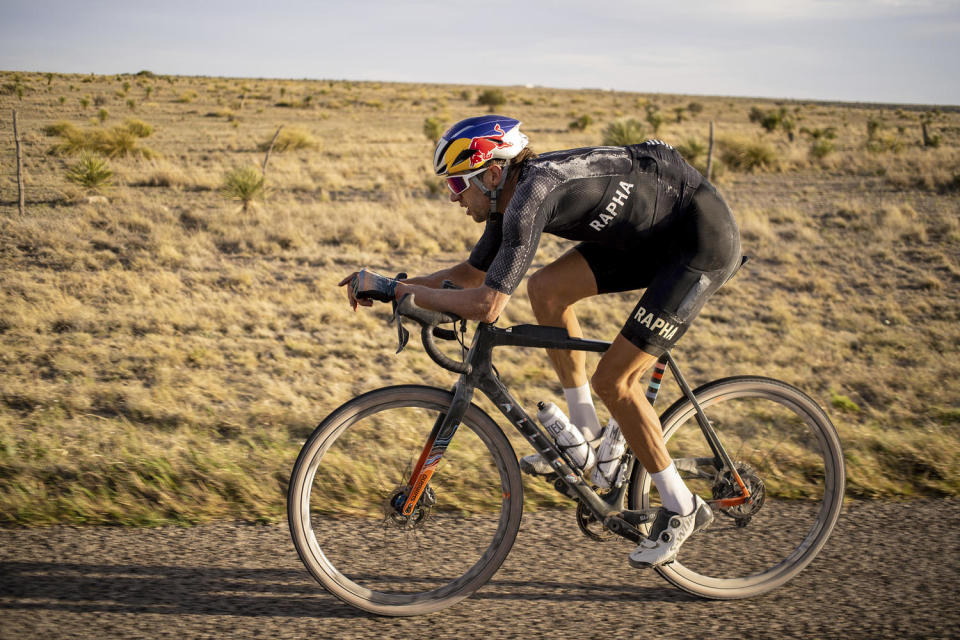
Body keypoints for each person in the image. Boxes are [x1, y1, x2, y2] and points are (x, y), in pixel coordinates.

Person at [340, 115, 741, 568]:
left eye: (456, 186)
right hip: (647, 233)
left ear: (492, 174)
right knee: (545, 291)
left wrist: (399, 292)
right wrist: (392, 284)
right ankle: (586, 432)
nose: (453, 198)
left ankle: (683, 507)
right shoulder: (505, 199)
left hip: (696, 239)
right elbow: (468, 278)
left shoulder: (531, 195)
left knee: (616, 381)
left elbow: (488, 305)